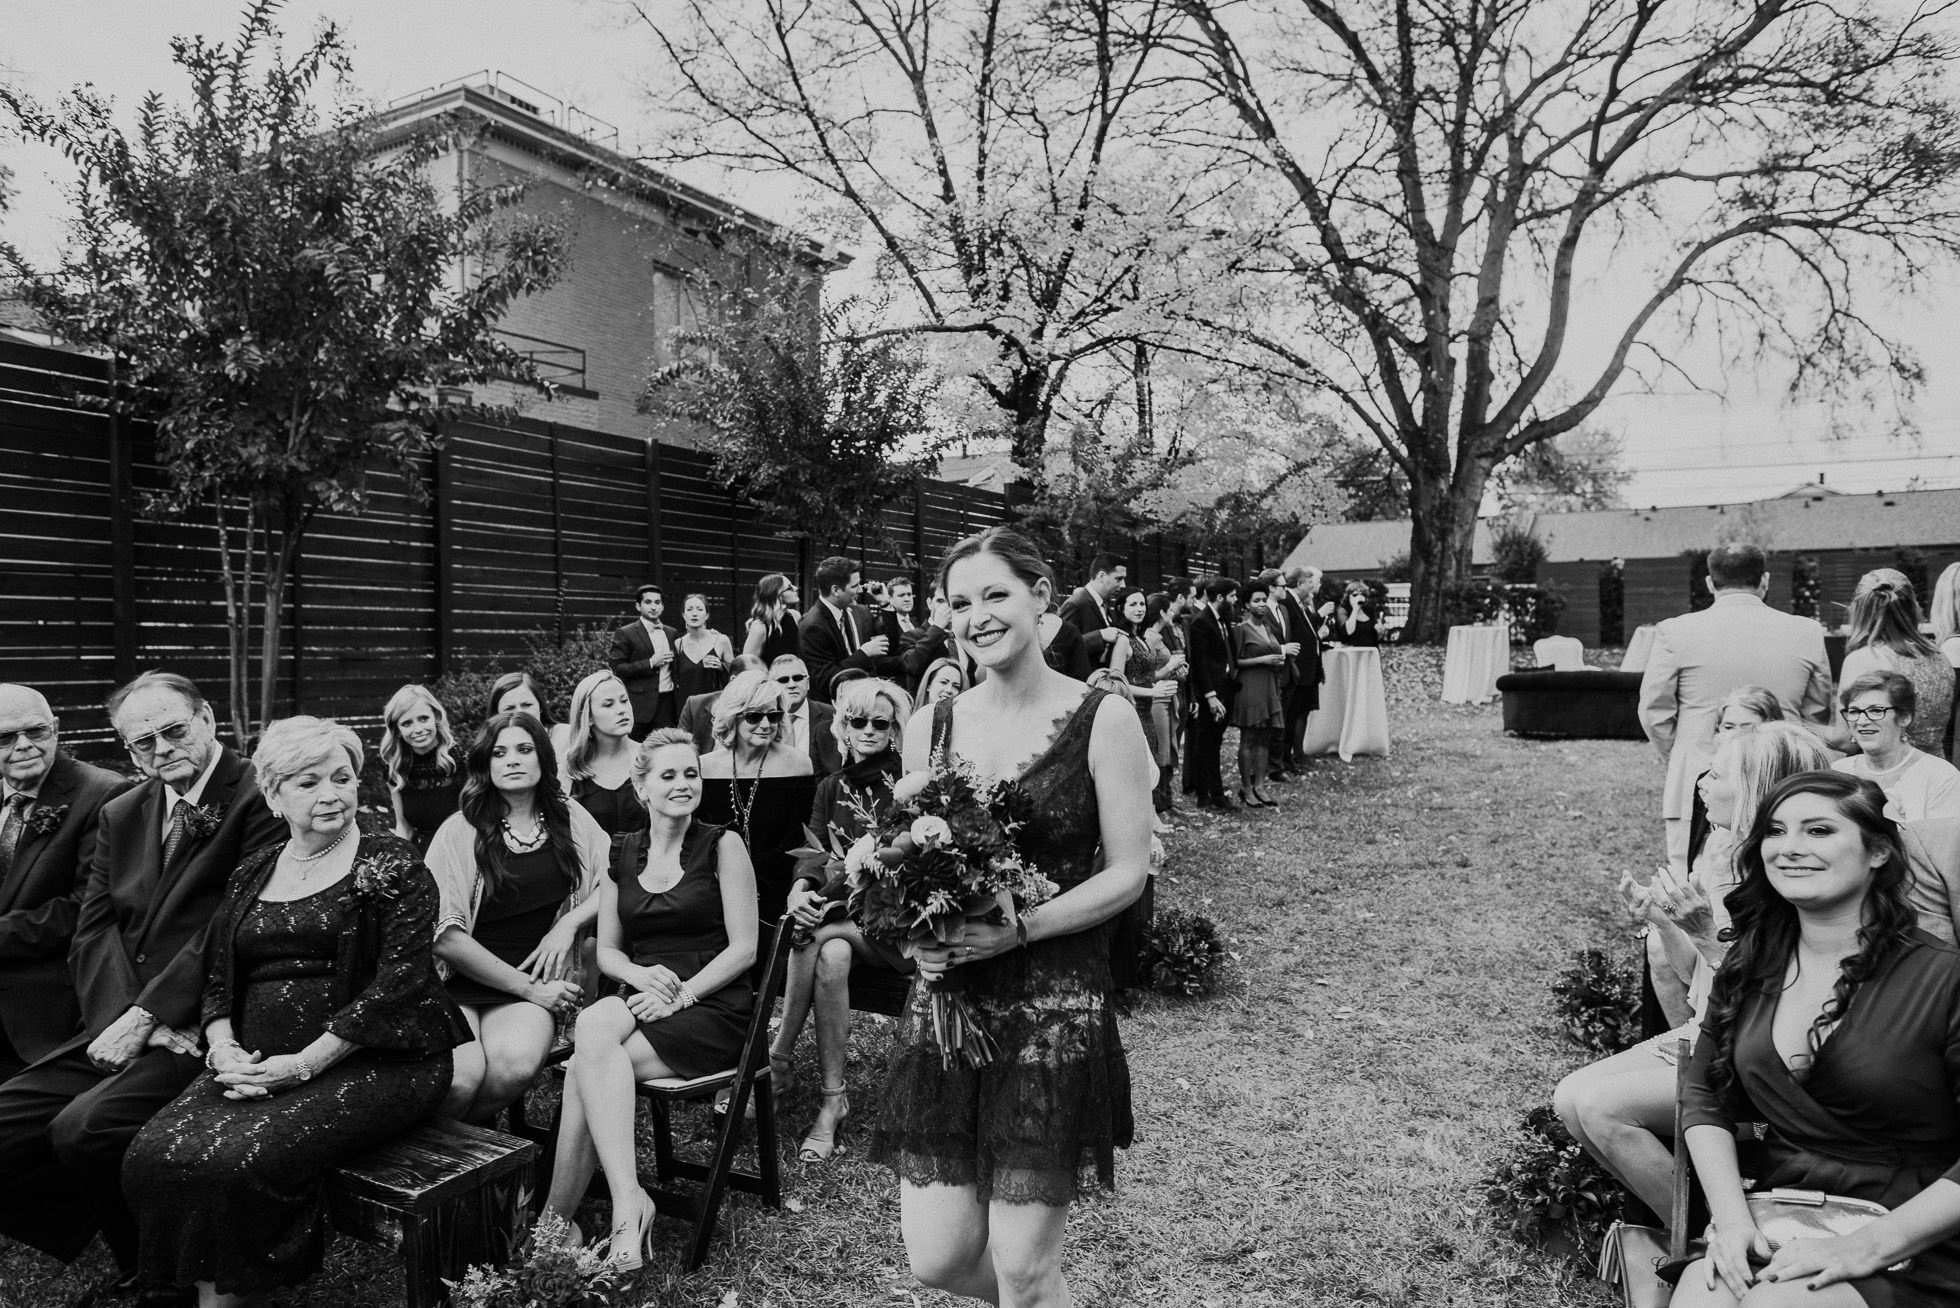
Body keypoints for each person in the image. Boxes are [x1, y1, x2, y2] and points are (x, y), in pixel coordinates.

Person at [869, 525, 1151, 1307]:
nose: (978, 615)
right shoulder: (933, 725)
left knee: (1024, 1270)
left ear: (1040, 596)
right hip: (950, 1005)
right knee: (939, 1261)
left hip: (1053, 1001)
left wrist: (1021, 927)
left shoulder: (1105, 718)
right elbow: (910, 857)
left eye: (996, 594)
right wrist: (921, 938)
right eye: (961, 602)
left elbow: (1129, 871)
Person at [121, 717, 469, 1307]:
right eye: (308, 783)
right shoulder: (253, 869)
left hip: (380, 1060)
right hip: (252, 1061)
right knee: (152, 1155)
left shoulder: (396, 864)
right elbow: (219, 976)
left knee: (237, 1162)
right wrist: (223, 1046)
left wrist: (304, 1064)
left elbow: (399, 985)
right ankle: (193, 1287)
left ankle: (228, 1298)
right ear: (274, 794)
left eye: (342, 777)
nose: (330, 794)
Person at [0, 672, 282, 1293]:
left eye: (173, 730)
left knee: (83, 1131)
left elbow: (230, 925)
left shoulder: (261, 798)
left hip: (211, 1020)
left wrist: (152, 1016)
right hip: (122, 1018)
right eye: (140, 742)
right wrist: (124, 1020)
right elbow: (92, 932)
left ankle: (155, 1275)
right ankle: (139, 1251)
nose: (160, 749)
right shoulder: (125, 810)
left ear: (207, 719)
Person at [1671, 772, 1960, 1306]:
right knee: (1704, 1294)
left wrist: (1867, 1248)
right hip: (1783, 1215)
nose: (1790, 849)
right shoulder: (1750, 963)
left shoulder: (1944, 979)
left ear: (1877, 851)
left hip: (1917, 1235)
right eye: (1776, 832)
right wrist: (1732, 1221)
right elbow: (1705, 1096)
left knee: (1776, 1302)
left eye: (1819, 831)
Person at [1553, 722, 1833, 1217]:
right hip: (1708, 1032)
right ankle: (1687, 1221)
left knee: (1601, 1107)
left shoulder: (1795, 880)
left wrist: (1706, 932)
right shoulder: (1723, 856)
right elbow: (1693, 978)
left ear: (1753, 790)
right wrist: (1664, 924)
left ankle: (1708, 1237)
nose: (1702, 780)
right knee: (1569, 1099)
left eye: (1717, 774)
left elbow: (1777, 1005)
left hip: (1764, 1060)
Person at [539, 729, 759, 1270]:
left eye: (692, 773)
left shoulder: (723, 845)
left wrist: (682, 995)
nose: (683, 784)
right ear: (642, 788)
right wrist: (640, 977)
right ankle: (626, 1200)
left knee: (584, 1066)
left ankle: (556, 1221)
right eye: (669, 775)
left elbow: (746, 950)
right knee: (594, 1031)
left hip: (712, 1003)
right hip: (644, 990)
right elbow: (609, 952)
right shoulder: (622, 850)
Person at [425, 711, 608, 1123]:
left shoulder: (570, 819)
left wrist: (569, 923)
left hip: (536, 980)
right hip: (459, 982)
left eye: (524, 750)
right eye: (499, 752)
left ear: (543, 758)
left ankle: (470, 1159)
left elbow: (614, 879)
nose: (512, 760)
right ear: (485, 765)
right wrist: (529, 989)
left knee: (514, 1068)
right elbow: (443, 937)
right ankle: (461, 1168)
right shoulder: (459, 831)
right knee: (458, 1080)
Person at [771, 678, 915, 1163]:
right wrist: (800, 888)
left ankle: (778, 1058)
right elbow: (812, 855)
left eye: (882, 722)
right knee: (830, 955)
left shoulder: (908, 785)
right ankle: (833, 1100)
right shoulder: (830, 787)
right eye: (859, 721)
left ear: (896, 729)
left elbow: (904, 875)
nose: (870, 730)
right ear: (843, 728)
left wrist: (819, 908)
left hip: (898, 930)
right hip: (845, 929)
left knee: (809, 933)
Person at [1638, 541, 1835, 873]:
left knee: (1693, 878)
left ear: (1710, 583)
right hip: (1782, 778)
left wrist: (1682, 751)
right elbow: (1816, 711)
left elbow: (1654, 711)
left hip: (1699, 775)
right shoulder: (1806, 632)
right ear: (1765, 581)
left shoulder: (1675, 631)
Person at [0, 684, 131, 1080]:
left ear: (55, 729)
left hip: (47, 1015)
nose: (23, 746)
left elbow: (85, 908)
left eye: (35, 732)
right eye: (5, 737)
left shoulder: (105, 794)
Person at [697, 671, 818, 923]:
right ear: (733, 717)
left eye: (773, 716)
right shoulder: (703, 767)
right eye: (754, 716)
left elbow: (798, 839)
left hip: (777, 886)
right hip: (714, 885)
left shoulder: (797, 764)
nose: (766, 725)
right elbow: (698, 836)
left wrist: (749, 871)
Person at [1836, 569, 1955, 757]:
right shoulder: (1940, 655)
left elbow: (1845, 740)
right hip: (1936, 770)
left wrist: (1795, 722)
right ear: (1913, 606)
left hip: (1888, 775)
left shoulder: (1863, 659)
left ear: (1859, 610)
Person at [1830, 671, 1960, 822]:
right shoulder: (1838, 771)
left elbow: (1943, 843)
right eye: (1854, 711)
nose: (1862, 721)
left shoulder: (1941, 777)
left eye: (1876, 710)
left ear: (1904, 717)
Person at [1231, 578, 1296, 810]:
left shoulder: (1267, 628)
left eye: (1263, 600)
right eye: (1256, 601)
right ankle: (1246, 787)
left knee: (1264, 738)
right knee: (1249, 738)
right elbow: (1235, 661)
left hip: (1269, 686)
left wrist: (1277, 659)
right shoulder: (1240, 629)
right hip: (1250, 687)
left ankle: (1260, 785)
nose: (1261, 604)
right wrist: (1263, 659)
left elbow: (1275, 651)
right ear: (1247, 605)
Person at [561, 672, 649, 839]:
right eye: (609, 705)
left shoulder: (653, 757)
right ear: (588, 717)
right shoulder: (570, 770)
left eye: (624, 701)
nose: (621, 710)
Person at [379, 684, 464, 856]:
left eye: (423, 719)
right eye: (407, 723)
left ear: (436, 718)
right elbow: (404, 826)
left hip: (464, 851)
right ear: (397, 730)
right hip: (425, 854)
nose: (417, 729)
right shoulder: (395, 769)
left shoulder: (461, 761)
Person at [799, 556, 899, 702]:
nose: (860, 590)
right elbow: (828, 680)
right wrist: (864, 654)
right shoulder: (813, 627)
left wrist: (885, 603)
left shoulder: (856, 612)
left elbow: (891, 647)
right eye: (854, 586)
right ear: (835, 590)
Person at [1186, 575, 1241, 811]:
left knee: (1214, 742)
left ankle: (1212, 790)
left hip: (1226, 687)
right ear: (1220, 597)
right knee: (1205, 742)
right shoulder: (1202, 622)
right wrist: (1210, 695)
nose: (1236, 600)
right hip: (1212, 693)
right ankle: (1207, 793)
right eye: (1232, 596)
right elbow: (1200, 663)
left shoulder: (1223, 620)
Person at [608, 583, 681, 739]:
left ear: (662, 606)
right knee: (636, 751)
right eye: (648, 602)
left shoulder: (672, 633)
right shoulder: (625, 633)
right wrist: (650, 663)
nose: (653, 607)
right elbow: (617, 668)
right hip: (639, 705)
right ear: (638, 606)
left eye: (657, 602)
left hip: (667, 704)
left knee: (665, 750)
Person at [1142, 593, 1190, 815]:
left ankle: (1167, 801)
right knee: (1161, 751)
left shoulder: (1160, 636)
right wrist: (1171, 666)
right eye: (1170, 610)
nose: (1173, 614)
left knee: (1170, 749)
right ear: (1162, 613)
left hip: (1170, 697)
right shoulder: (1149, 637)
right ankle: (1158, 806)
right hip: (1156, 700)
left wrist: (1178, 672)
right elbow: (1147, 675)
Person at [1276, 567, 1325, 773]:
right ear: (1299, 584)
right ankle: (1287, 757)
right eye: (1309, 583)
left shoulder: (1301, 604)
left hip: (1308, 668)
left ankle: (1296, 754)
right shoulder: (1288, 602)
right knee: (1293, 714)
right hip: (1297, 668)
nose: (1312, 587)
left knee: (1301, 712)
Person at [769, 654, 842, 777]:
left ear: (807, 683)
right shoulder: (764, 718)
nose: (792, 685)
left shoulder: (832, 716)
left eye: (798, 678)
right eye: (783, 680)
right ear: (771, 685)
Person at [1057, 552, 1128, 670]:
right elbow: (1060, 647)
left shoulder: (1103, 604)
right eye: (1119, 579)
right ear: (1101, 576)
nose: (1123, 585)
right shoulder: (1076, 604)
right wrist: (1100, 635)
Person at [487, 671, 574, 762]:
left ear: (540, 706)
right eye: (509, 708)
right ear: (497, 714)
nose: (520, 713)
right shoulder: (491, 749)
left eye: (527, 705)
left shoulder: (566, 736)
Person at [672, 593, 736, 706]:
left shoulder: (721, 640)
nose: (694, 614)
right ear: (683, 615)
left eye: (700, 609)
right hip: (686, 708)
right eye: (689, 609)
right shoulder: (678, 644)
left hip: (713, 707)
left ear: (707, 615)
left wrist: (722, 667)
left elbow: (735, 674)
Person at [741, 573, 803, 666]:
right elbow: (748, 665)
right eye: (790, 588)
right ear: (778, 595)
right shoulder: (760, 627)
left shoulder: (795, 616)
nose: (796, 588)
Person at [1333, 581, 1380, 647]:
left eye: (1362, 594)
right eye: (1355, 595)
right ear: (1348, 596)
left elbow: (1376, 637)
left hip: (1370, 651)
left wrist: (1380, 631)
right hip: (1352, 652)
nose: (1359, 597)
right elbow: (1348, 631)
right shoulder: (1343, 610)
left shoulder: (1369, 610)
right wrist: (1355, 609)